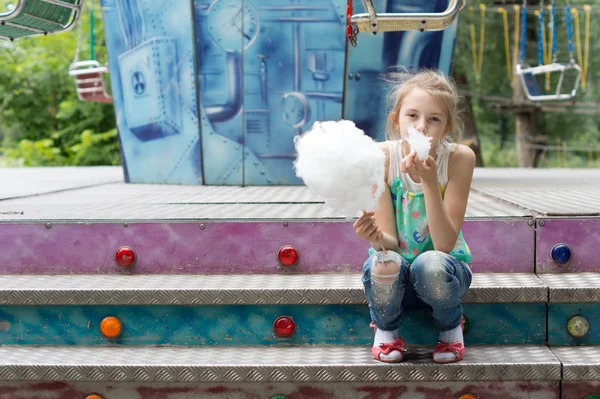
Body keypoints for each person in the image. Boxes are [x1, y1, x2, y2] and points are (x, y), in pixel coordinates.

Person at [353, 70, 475, 364]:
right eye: (412, 116)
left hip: (445, 275)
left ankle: (449, 330)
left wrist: (430, 181)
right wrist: (375, 236)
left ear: (446, 127)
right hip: (399, 281)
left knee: (430, 263)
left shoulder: (459, 159)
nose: (422, 126)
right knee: (381, 263)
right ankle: (386, 331)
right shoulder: (382, 158)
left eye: (434, 119)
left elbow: (444, 245)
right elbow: (390, 241)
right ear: (397, 121)